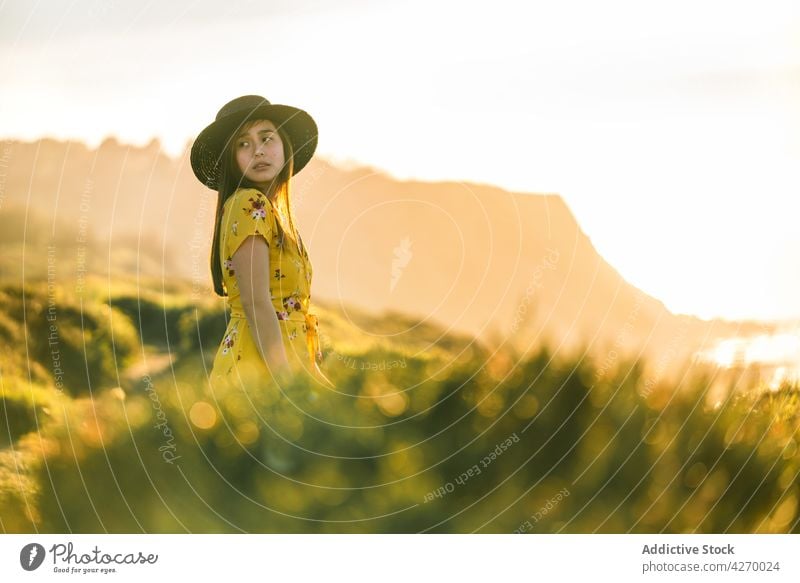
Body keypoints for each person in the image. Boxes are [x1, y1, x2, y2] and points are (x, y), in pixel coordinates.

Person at [190, 94, 335, 393]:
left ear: (284, 146)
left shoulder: (273, 214)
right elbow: (256, 304)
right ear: (231, 159)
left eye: (267, 138)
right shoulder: (249, 203)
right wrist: (288, 385)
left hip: (278, 365)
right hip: (259, 371)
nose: (258, 151)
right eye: (243, 144)